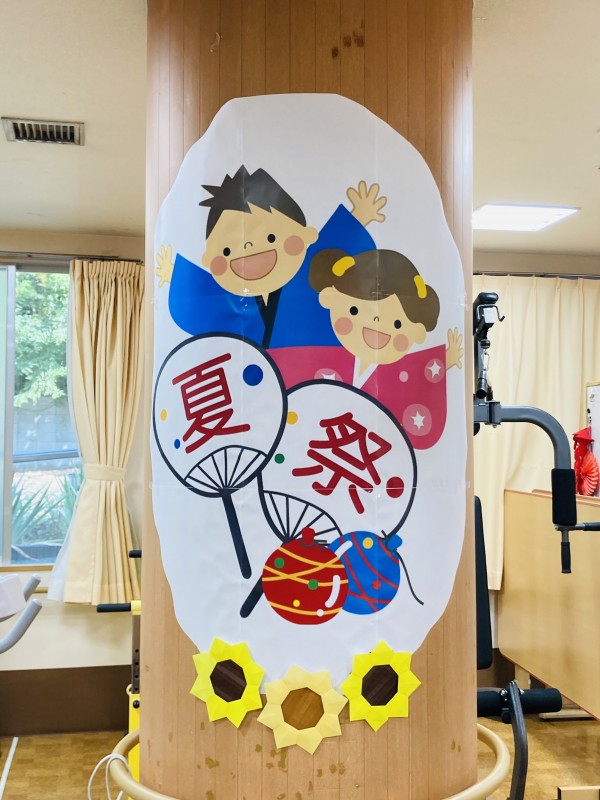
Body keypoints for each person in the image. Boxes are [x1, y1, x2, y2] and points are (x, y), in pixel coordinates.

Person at [156, 166, 386, 349]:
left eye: (271, 237)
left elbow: (332, 248)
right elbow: (201, 295)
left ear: (305, 235)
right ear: (210, 259)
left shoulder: (311, 272)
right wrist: (176, 274)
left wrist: (357, 217)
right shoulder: (229, 298)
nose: (249, 248)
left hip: (310, 371)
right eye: (227, 251)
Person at [269, 248, 463, 449]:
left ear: (417, 331)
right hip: (322, 442)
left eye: (397, 324)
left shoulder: (400, 372)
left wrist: (446, 360)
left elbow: (419, 374)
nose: (376, 322)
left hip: (372, 447)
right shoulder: (324, 356)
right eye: (354, 310)